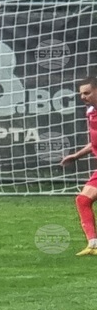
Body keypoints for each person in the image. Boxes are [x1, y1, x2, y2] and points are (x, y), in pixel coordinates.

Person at [63, 76, 97, 256]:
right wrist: (76, 156)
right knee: (83, 200)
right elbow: (95, 142)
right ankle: (93, 245)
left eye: (87, 93)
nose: (83, 97)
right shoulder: (91, 111)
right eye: (81, 94)